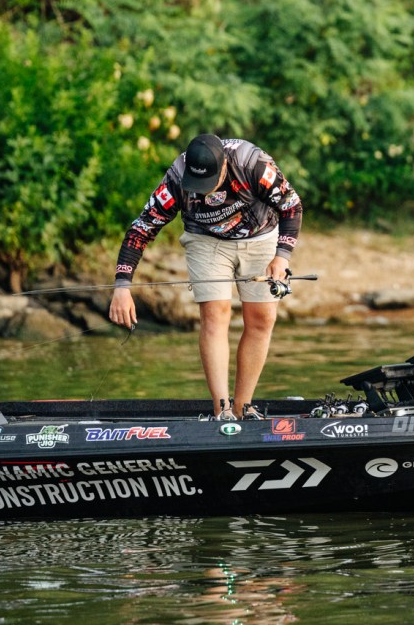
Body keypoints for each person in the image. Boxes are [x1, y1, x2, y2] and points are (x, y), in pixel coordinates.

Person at [108, 134, 302, 420]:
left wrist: (282, 257)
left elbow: (291, 206)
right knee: (215, 314)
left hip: (260, 236)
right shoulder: (176, 179)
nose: (204, 191)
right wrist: (122, 287)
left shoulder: (252, 164)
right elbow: (142, 228)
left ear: (224, 167)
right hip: (205, 241)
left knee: (262, 318)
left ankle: (244, 407)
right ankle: (222, 410)